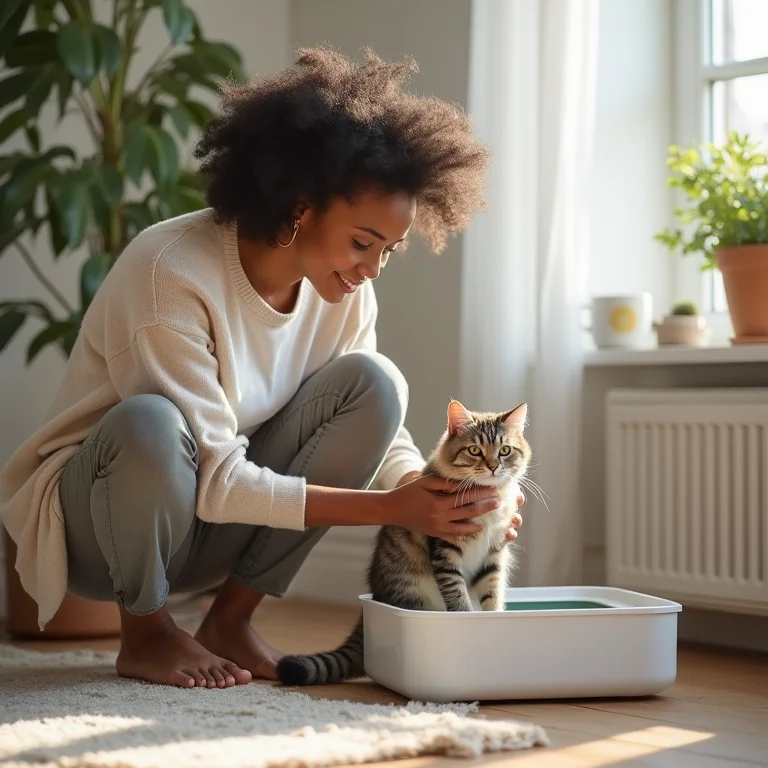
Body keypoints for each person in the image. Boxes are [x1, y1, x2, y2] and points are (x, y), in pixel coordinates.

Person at [0, 47, 524, 689]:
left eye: (389, 250)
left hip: (211, 531)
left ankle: (230, 621)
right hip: (100, 531)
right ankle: (148, 632)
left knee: (375, 384)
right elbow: (215, 477)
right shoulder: (170, 271)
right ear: (301, 206)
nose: (373, 267)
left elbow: (382, 436)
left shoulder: (347, 292)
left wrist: (437, 497)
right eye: (363, 242)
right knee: (150, 423)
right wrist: (394, 508)